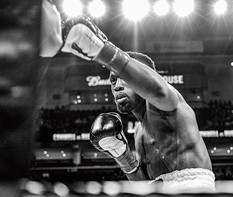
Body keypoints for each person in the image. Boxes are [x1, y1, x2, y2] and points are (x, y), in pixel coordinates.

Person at [61, 15, 215, 193]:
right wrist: (121, 153)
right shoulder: (139, 132)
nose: (117, 86)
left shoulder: (167, 104)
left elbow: (157, 89)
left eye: (123, 78)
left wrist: (101, 49)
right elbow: (143, 185)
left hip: (191, 188)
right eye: (112, 81)